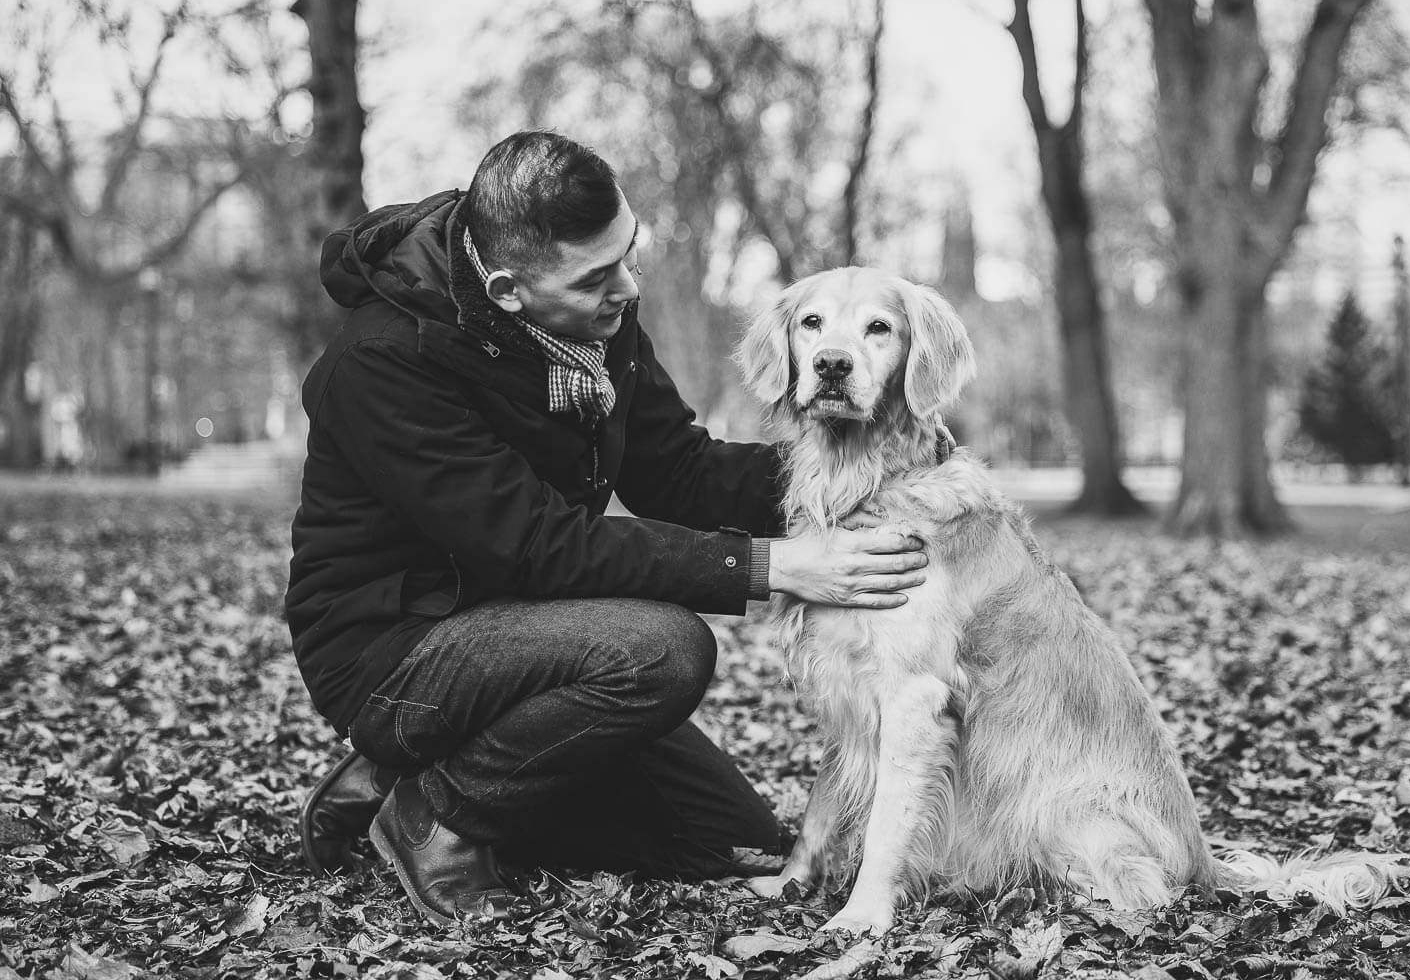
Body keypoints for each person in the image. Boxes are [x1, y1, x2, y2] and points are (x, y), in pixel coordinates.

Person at [285, 130, 930, 925]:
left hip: (530, 633)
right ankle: (435, 815)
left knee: (726, 839)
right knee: (662, 650)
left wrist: (870, 480)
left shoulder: (591, 318)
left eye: (627, 253)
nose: (626, 286)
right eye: (598, 276)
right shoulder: (383, 363)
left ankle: (394, 780)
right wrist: (772, 565)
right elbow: (536, 545)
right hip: (394, 646)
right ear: (508, 290)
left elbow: (676, 469)